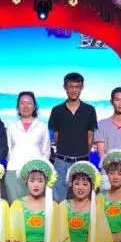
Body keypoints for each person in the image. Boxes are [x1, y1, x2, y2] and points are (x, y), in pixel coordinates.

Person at [48, 73, 98, 202]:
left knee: (82, 198)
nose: (74, 90)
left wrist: (84, 155)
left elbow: (90, 136)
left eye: (77, 87)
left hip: (82, 160)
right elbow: (56, 136)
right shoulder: (57, 110)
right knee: (58, 199)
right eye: (71, 86)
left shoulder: (89, 110)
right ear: (65, 87)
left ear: (82, 87)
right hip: (61, 161)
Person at [5, 92, 51, 203]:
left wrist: (40, 171)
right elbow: (8, 151)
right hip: (13, 171)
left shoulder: (42, 126)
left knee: (34, 206)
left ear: (34, 107)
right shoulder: (11, 127)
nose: (25, 106)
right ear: (18, 106)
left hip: (36, 173)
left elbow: (46, 151)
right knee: (15, 205)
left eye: (29, 103)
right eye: (22, 103)